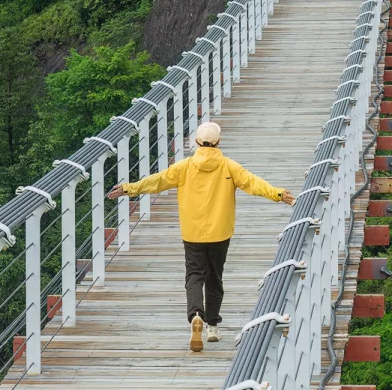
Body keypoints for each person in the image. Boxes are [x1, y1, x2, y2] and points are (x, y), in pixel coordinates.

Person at [110, 121, 295, 352]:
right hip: (220, 233)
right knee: (215, 278)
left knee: (194, 276)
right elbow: (253, 183)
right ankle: (213, 327)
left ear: (197, 142)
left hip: (193, 232)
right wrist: (278, 194)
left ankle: (196, 314)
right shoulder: (229, 166)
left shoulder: (184, 167)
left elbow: (156, 181)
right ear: (218, 142)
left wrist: (129, 189)